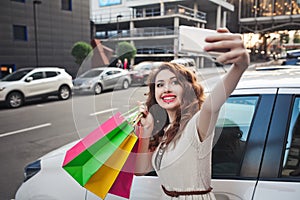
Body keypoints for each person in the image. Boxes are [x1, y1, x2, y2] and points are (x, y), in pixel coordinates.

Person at [135, 28, 250, 199]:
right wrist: (146, 131)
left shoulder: (196, 124)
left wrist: (239, 67)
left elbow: (212, 106)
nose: (166, 88)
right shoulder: (166, 132)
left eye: (174, 82)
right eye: (159, 85)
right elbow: (141, 170)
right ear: (155, 94)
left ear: (186, 89)